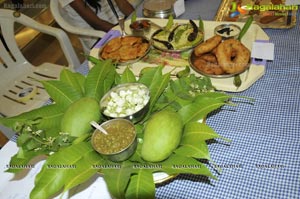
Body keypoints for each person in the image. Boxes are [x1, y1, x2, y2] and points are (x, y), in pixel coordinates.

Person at [58, 0, 137, 51]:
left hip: (121, 21)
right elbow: (97, 24)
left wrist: (137, 21)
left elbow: (123, 3)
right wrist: (129, 35)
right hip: (99, 35)